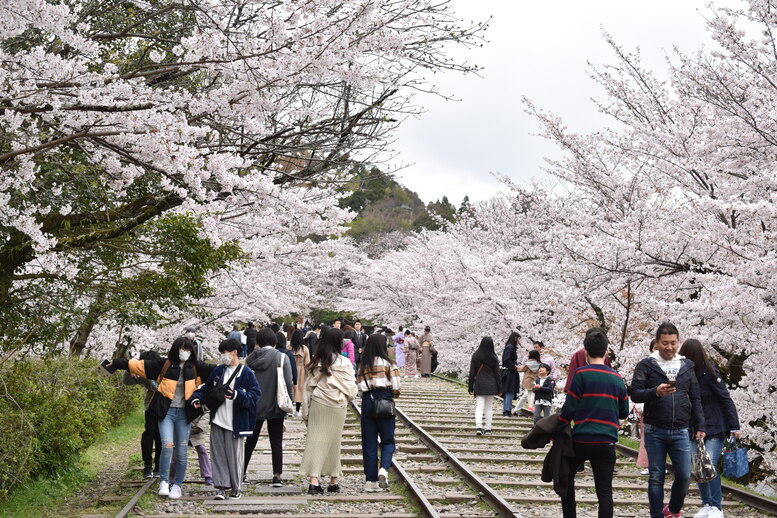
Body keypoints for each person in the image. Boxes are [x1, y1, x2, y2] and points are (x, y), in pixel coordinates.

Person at [107, 337, 215, 499]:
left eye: (188, 349)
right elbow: (137, 364)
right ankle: (164, 482)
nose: (184, 352)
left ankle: (177, 485)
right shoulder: (163, 365)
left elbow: (218, 372)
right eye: (182, 348)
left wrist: (239, 370)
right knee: (167, 445)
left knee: (182, 451)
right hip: (167, 412)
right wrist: (115, 363)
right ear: (175, 349)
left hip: (184, 415)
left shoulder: (196, 368)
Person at [631, 322, 706, 518]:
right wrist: (655, 392)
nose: (669, 347)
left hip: (681, 429)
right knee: (656, 477)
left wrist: (700, 425)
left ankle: (673, 509)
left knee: (684, 475)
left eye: (673, 343)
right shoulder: (646, 365)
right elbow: (635, 394)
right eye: (665, 343)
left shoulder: (686, 365)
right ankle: (656, 515)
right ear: (657, 343)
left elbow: (695, 396)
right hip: (655, 429)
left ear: (678, 342)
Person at [558, 327, 629, 518]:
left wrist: (558, 427)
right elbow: (623, 411)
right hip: (606, 441)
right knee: (605, 492)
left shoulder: (581, 374)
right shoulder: (617, 378)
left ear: (586, 352)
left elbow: (569, 409)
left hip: (581, 439)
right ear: (606, 351)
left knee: (566, 479)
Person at [678, 339, 741, 518]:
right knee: (699, 467)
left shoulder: (710, 372)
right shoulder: (684, 374)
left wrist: (734, 426)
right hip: (693, 426)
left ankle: (716, 506)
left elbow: (725, 399)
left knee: (710, 465)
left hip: (714, 424)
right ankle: (706, 503)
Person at [191, 339, 260, 500]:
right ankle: (221, 487)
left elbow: (255, 395)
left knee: (234, 456)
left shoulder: (247, 373)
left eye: (224, 353)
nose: (223, 356)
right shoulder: (219, 371)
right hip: (218, 420)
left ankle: (236, 487)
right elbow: (207, 388)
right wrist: (197, 398)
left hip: (235, 422)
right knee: (218, 455)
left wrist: (237, 394)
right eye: (221, 353)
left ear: (234, 352)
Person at [300, 327, 358, 494]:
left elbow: (309, 387)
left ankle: (314, 480)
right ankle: (334, 480)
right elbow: (352, 390)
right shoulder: (345, 363)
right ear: (339, 343)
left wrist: (306, 411)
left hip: (319, 403)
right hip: (338, 406)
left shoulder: (317, 362)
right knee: (334, 442)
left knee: (315, 440)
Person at [245, 328, 293, 486]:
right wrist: (290, 403)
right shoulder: (281, 357)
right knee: (276, 440)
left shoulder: (250, 358)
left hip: (255, 405)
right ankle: (277, 475)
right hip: (275, 404)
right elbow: (288, 382)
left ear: (258, 341)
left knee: (250, 440)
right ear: (274, 341)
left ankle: (241, 471)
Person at [357, 333, 401, 492]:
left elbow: (360, 389)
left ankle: (370, 482)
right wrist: (391, 395)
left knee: (369, 443)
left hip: (368, 401)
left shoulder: (363, 364)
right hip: (385, 400)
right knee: (388, 441)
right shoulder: (390, 363)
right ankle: (383, 469)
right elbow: (396, 388)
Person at [121, 350, 162, 478]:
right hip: (150, 405)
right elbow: (126, 381)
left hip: (165, 406)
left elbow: (157, 387)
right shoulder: (142, 371)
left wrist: (147, 378)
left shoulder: (165, 370)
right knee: (149, 433)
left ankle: (159, 466)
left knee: (160, 436)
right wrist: (130, 369)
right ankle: (148, 466)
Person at [467, 336, 502, 436]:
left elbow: (472, 373)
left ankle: (478, 427)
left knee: (479, 407)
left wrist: (470, 387)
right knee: (489, 407)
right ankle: (488, 428)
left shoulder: (476, 356)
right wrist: (500, 389)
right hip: (491, 385)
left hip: (479, 384)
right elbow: (497, 374)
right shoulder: (494, 357)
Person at [291, 329, 310, 417]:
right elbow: (307, 363)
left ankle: (289, 409)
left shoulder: (289, 347)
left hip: (290, 369)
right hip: (301, 370)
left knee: (290, 389)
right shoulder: (305, 349)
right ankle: (297, 410)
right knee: (300, 389)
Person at [501, 332, 521, 416]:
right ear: (515, 338)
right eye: (519, 339)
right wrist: (515, 367)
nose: (519, 341)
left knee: (508, 391)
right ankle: (507, 410)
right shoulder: (510, 347)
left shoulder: (509, 347)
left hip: (510, 371)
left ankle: (506, 409)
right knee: (509, 391)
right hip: (510, 372)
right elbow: (506, 360)